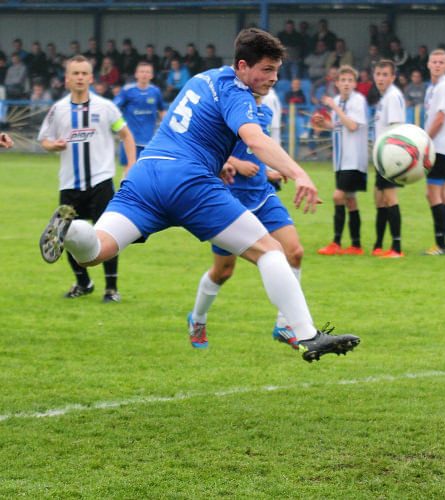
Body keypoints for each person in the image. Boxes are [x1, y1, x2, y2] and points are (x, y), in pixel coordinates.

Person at [38, 28, 360, 362]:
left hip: (146, 174)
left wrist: (218, 161)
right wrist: (299, 172)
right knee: (270, 250)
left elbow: (194, 131)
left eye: (277, 70)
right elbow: (255, 139)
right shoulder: (237, 92)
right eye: (266, 69)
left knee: (96, 250)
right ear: (242, 65)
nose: (274, 77)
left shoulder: (202, 79)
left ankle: (71, 229)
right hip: (188, 180)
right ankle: (308, 335)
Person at [189, 98, 303, 349]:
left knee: (294, 252)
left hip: (262, 195)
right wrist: (236, 163)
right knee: (223, 271)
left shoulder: (267, 110)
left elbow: (258, 149)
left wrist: (269, 171)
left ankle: (284, 325)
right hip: (228, 200)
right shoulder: (225, 105)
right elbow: (204, 146)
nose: (268, 80)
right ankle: (198, 319)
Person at [37, 55, 137, 303]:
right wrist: (53, 146)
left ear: (91, 78)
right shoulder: (58, 109)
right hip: (69, 184)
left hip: (101, 182)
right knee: (67, 237)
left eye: (84, 73)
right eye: (75, 74)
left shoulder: (106, 107)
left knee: (107, 235)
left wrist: (130, 168)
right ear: (67, 79)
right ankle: (83, 283)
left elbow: (127, 135)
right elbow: (45, 140)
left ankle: (111, 289)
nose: (80, 77)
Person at [316, 65, 369, 256]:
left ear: (355, 84)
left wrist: (335, 108)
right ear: (337, 83)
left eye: (350, 80)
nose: (346, 83)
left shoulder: (357, 101)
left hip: (353, 159)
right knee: (350, 200)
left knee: (338, 196)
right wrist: (325, 125)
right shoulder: (338, 100)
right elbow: (340, 126)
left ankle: (336, 242)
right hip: (341, 160)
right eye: (343, 80)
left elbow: (353, 125)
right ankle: (356, 245)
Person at [422, 49, 445, 256]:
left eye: (441, 62)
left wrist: (425, 141)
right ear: (428, 64)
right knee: (444, 194)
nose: (437, 65)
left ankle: (440, 244)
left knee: (432, 194)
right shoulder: (434, 88)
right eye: (434, 61)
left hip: (439, 147)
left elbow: (440, 118)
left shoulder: (443, 87)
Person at [371, 59, 406, 258]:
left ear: (392, 77)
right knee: (380, 199)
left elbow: (394, 127)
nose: (381, 78)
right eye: (378, 74)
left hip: (389, 157)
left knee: (390, 199)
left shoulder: (393, 97)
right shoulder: (385, 98)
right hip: (381, 157)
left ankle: (396, 247)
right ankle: (378, 245)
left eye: (385, 75)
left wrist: (390, 156)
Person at [114, 61, 167, 164]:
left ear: (151, 75)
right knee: (130, 168)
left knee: (147, 170)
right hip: (130, 139)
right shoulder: (127, 90)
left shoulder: (155, 91)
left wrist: (165, 122)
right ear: (136, 74)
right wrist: (119, 126)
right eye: (142, 72)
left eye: (147, 72)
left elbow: (162, 109)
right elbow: (114, 107)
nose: (144, 74)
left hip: (149, 140)